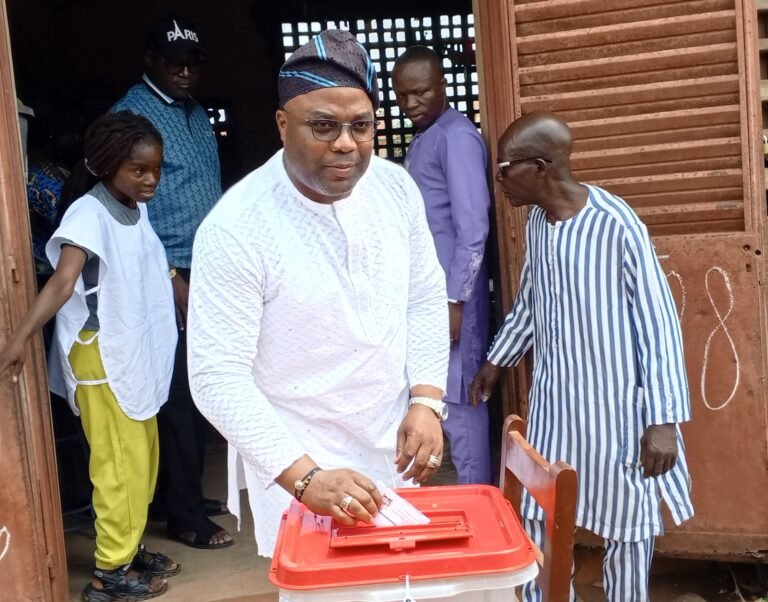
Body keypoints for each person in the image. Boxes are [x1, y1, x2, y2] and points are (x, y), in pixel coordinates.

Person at [187, 29, 450, 557]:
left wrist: (426, 400)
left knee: (401, 580)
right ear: (283, 125)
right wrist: (306, 479)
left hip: (391, 436)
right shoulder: (237, 228)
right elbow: (217, 376)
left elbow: (424, 294)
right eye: (324, 126)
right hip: (297, 451)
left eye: (362, 126)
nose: (346, 144)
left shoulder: (395, 189)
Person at [470, 112, 693, 601]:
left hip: (616, 414)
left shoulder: (616, 224)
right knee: (540, 514)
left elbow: (659, 323)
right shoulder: (537, 225)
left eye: (505, 169)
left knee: (628, 528)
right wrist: (496, 361)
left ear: (541, 167)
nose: (499, 181)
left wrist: (663, 421)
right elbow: (531, 302)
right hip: (555, 406)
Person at [0, 111, 179, 601]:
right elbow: (62, 282)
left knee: (142, 460)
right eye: (138, 170)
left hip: (133, 352)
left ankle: (128, 545)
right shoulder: (88, 215)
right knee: (117, 467)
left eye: (157, 169)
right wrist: (20, 339)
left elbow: (152, 268)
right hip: (103, 358)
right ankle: (108, 574)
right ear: (106, 166)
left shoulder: (133, 207)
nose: (150, 180)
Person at [111, 14, 231, 549]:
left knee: (201, 385)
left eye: (193, 63)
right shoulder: (132, 119)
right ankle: (183, 515)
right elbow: (128, 211)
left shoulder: (194, 111)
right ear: (150, 63)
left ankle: (177, 495)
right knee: (177, 396)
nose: (185, 72)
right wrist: (172, 275)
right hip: (166, 277)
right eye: (174, 62)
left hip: (205, 271)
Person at [392, 46, 492, 484]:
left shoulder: (456, 136)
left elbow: (473, 228)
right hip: (431, 296)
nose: (411, 104)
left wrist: (455, 299)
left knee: (463, 401)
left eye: (421, 92)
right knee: (438, 393)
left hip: (455, 299)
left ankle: (478, 499)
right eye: (402, 96)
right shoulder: (427, 137)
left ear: (443, 86)